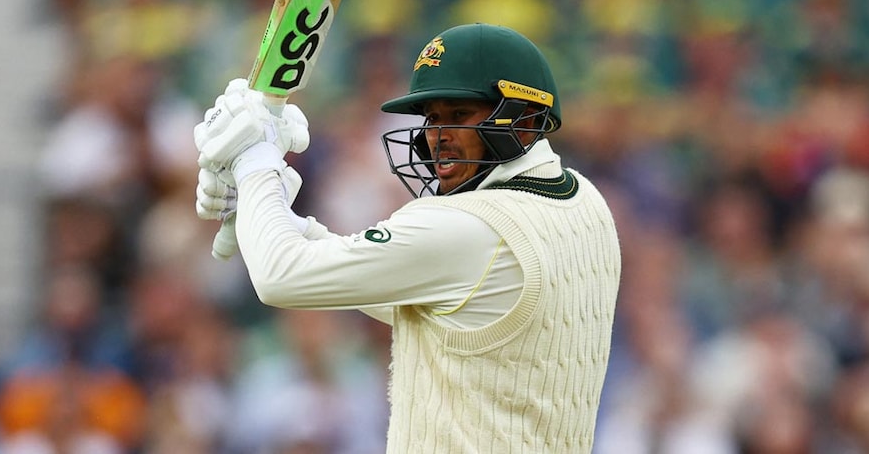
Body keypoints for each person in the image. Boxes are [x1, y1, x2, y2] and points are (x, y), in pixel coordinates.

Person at [193, 23, 622, 452]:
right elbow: (440, 303)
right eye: (433, 118)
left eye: (459, 115)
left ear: (524, 118)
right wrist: (275, 216)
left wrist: (255, 161)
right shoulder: (588, 206)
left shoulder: (467, 226)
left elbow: (279, 278)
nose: (438, 137)